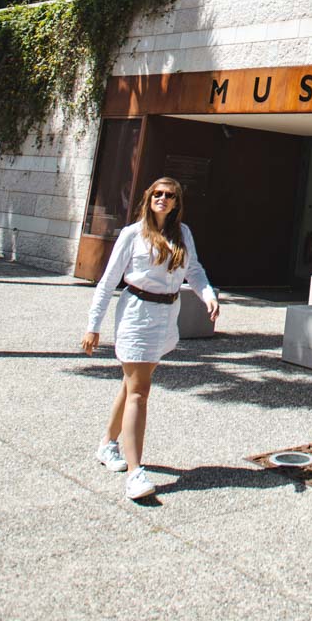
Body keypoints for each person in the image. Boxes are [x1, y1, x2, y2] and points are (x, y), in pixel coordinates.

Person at [82, 177, 220, 500]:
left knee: (131, 385)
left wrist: (207, 295)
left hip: (165, 317)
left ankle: (107, 444)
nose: (162, 198)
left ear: (176, 202)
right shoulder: (133, 235)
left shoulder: (182, 234)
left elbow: (194, 271)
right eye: (157, 193)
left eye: (169, 195)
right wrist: (93, 325)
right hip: (136, 315)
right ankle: (134, 473)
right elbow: (108, 282)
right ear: (149, 198)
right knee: (140, 393)